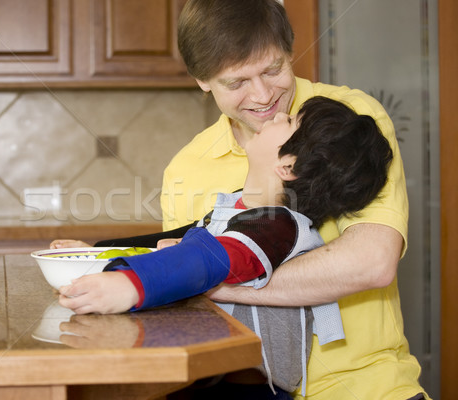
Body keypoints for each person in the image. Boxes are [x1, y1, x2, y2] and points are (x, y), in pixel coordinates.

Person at [154, 0, 427, 399]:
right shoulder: (186, 168)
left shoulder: (349, 121)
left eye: (273, 69)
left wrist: (208, 279)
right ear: (202, 80)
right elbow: (192, 318)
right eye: (237, 82)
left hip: (369, 387)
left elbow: (372, 263)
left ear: (290, 50)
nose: (264, 96)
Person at [57, 96, 393, 398]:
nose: (277, 117)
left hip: (249, 387)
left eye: (289, 122)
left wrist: (131, 285)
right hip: (217, 377)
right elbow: (185, 238)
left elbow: (213, 258)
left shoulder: (278, 225)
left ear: (287, 167)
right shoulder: (243, 211)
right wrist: (99, 252)